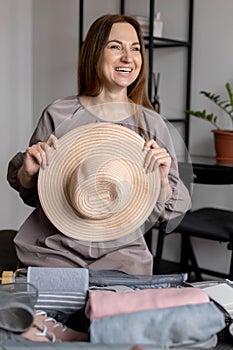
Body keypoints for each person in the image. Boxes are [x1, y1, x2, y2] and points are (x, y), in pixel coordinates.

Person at [7, 14, 191, 276]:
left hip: (123, 258)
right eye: (116, 47)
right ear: (95, 53)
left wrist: (160, 184)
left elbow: (170, 211)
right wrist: (28, 174)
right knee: (46, 314)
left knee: (118, 314)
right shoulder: (59, 115)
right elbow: (36, 196)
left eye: (135, 48)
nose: (128, 57)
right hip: (54, 251)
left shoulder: (151, 125)